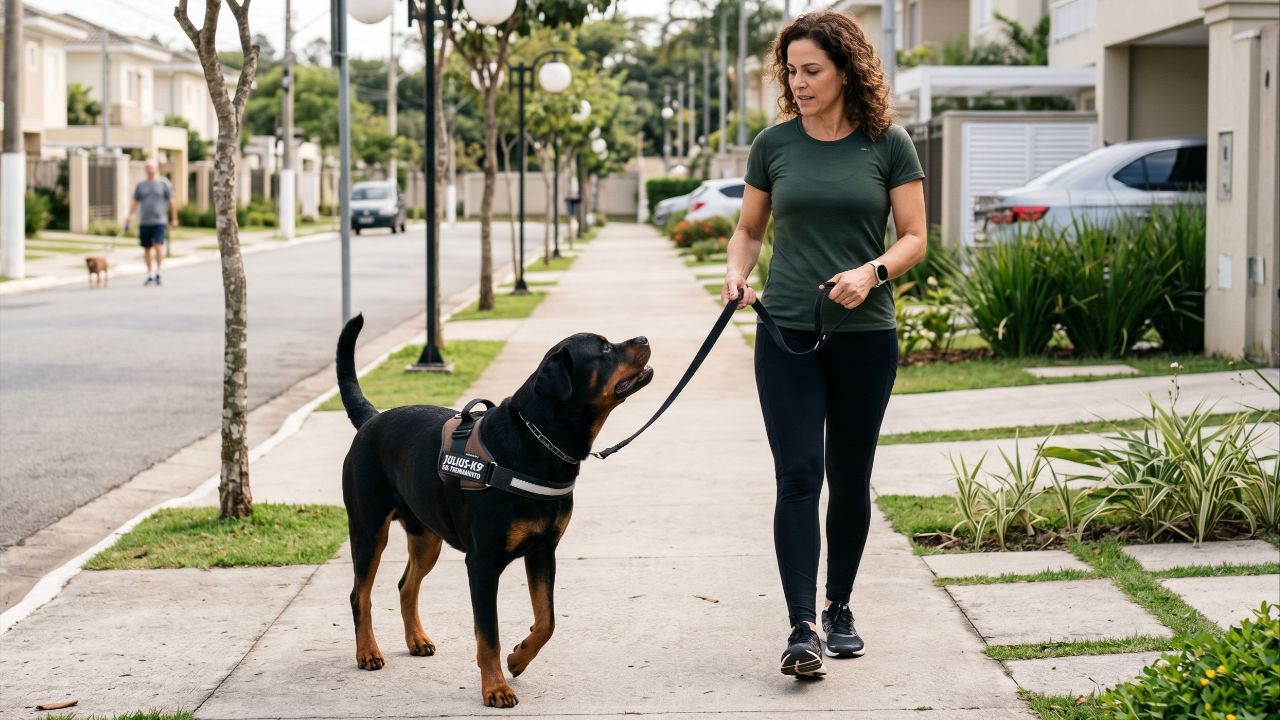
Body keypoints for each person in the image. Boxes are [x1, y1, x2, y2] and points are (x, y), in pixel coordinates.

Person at [721, 10, 927, 678]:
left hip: (865, 335)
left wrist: (873, 273)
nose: (799, 82)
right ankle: (802, 626)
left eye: (812, 70)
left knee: (850, 476)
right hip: (785, 329)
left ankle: (840, 607)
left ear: (846, 70)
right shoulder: (773, 144)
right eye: (792, 71)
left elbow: (914, 237)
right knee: (799, 473)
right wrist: (735, 272)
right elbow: (750, 230)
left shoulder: (888, 144)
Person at [124, 160, 178, 286]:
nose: (149, 170)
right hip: (145, 221)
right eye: (147, 167)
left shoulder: (164, 184)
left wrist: (174, 218)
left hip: (160, 221)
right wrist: (129, 216)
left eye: (151, 167)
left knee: (158, 245)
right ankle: (150, 273)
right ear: (145, 169)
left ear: (156, 168)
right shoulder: (141, 186)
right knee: (147, 248)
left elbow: (172, 202)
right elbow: (135, 202)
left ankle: (159, 271)